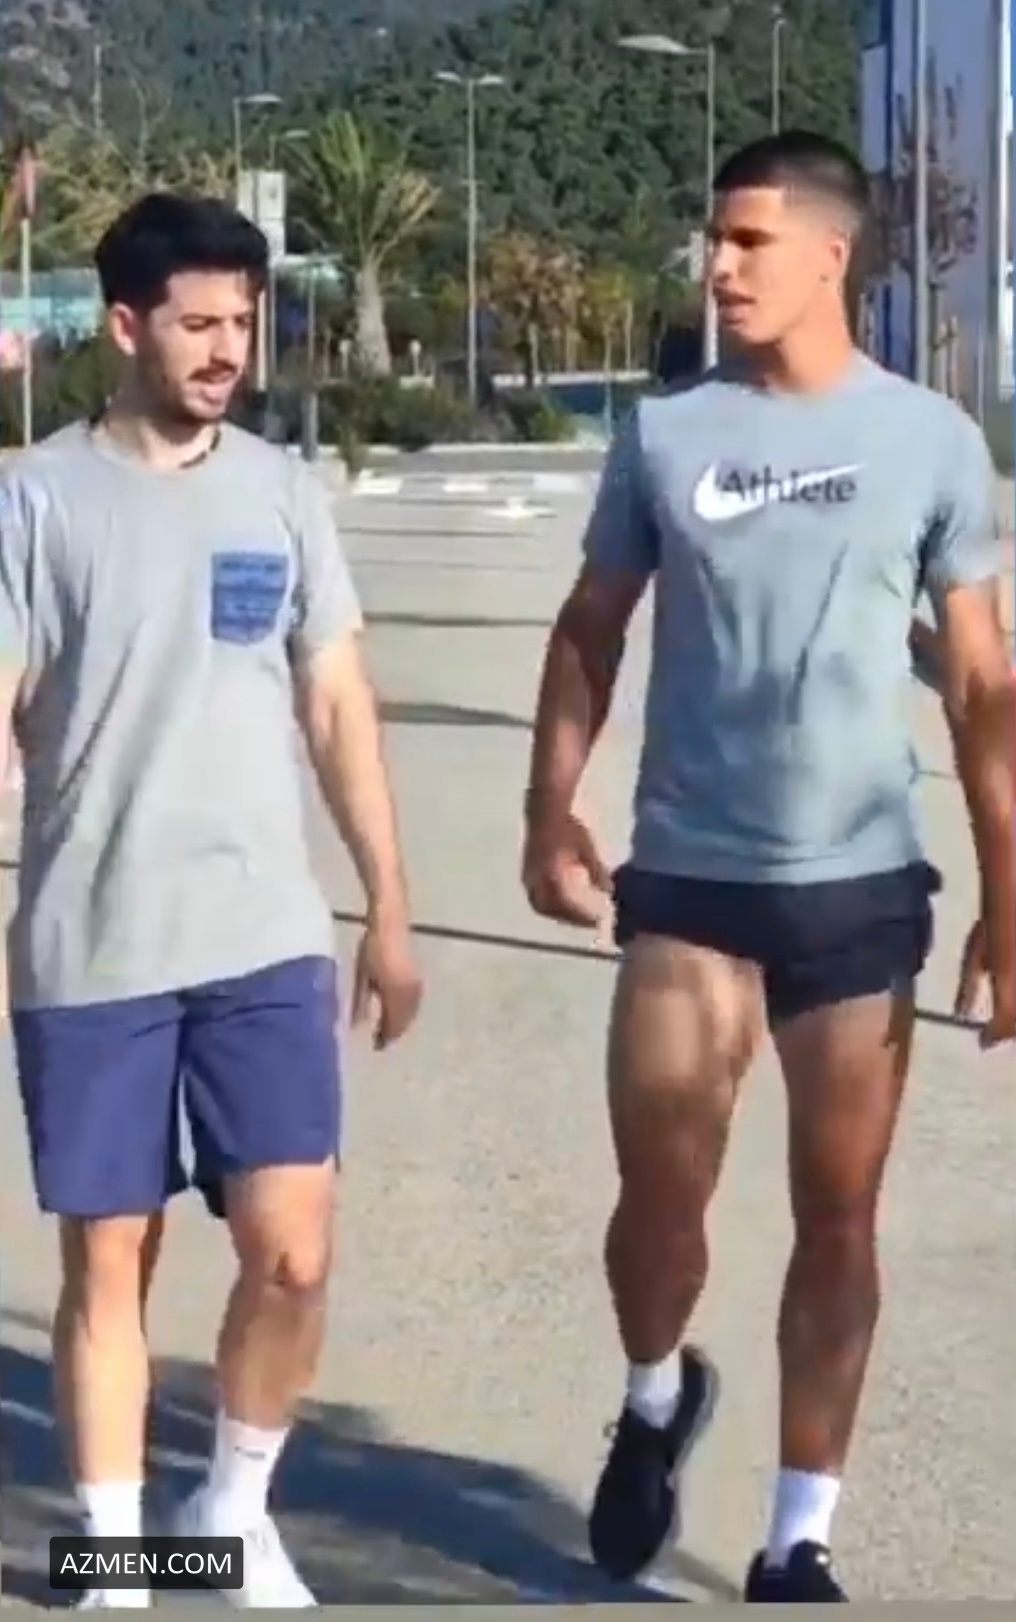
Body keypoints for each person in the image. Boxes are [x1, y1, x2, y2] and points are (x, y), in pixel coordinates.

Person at [521, 129, 1015, 1602]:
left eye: (748, 242)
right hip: (690, 878)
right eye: (715, 240)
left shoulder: (931, 440)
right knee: (659, 1201)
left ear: (827, 257)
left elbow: (983, 685)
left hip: (858, 891)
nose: (719, 266)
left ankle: (799, 1535)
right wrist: (550, 809)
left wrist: (1008, 899)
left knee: (838, 1216)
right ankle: (656, 1391)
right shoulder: (666, 435)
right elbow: (591, 625)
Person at [0, 193, 422, 1608]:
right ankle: (119, 1553)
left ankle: (231, 1511)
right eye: (199, 323)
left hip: (264, 940)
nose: (228, 348)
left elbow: (338, 705)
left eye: (242, 321)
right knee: (111, 1254)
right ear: (125, 326)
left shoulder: (281, 492)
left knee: (292, 1253)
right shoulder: (38, 500)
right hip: (95, 942)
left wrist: (389, 904)